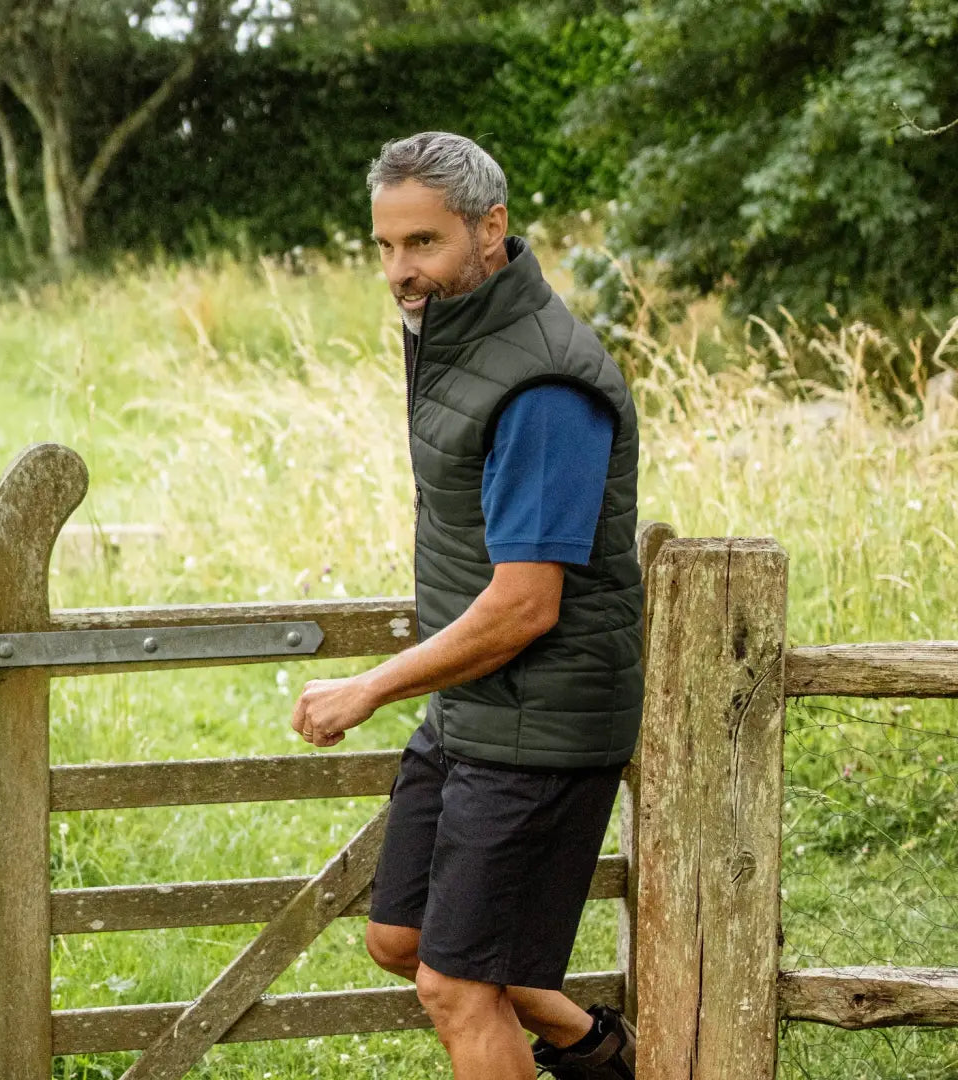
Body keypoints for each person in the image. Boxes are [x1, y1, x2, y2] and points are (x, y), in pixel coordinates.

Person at [290, 131, 642, 1080]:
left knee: (455, 984)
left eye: (424, 244)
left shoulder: (543, 383)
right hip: (478, 705)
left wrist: (370, 687)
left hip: (542, 719)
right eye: (386, 246)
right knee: (400, 939)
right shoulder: (461, 338)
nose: (400, 272)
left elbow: (527, 604)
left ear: (492, 228)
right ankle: (596, 1051)